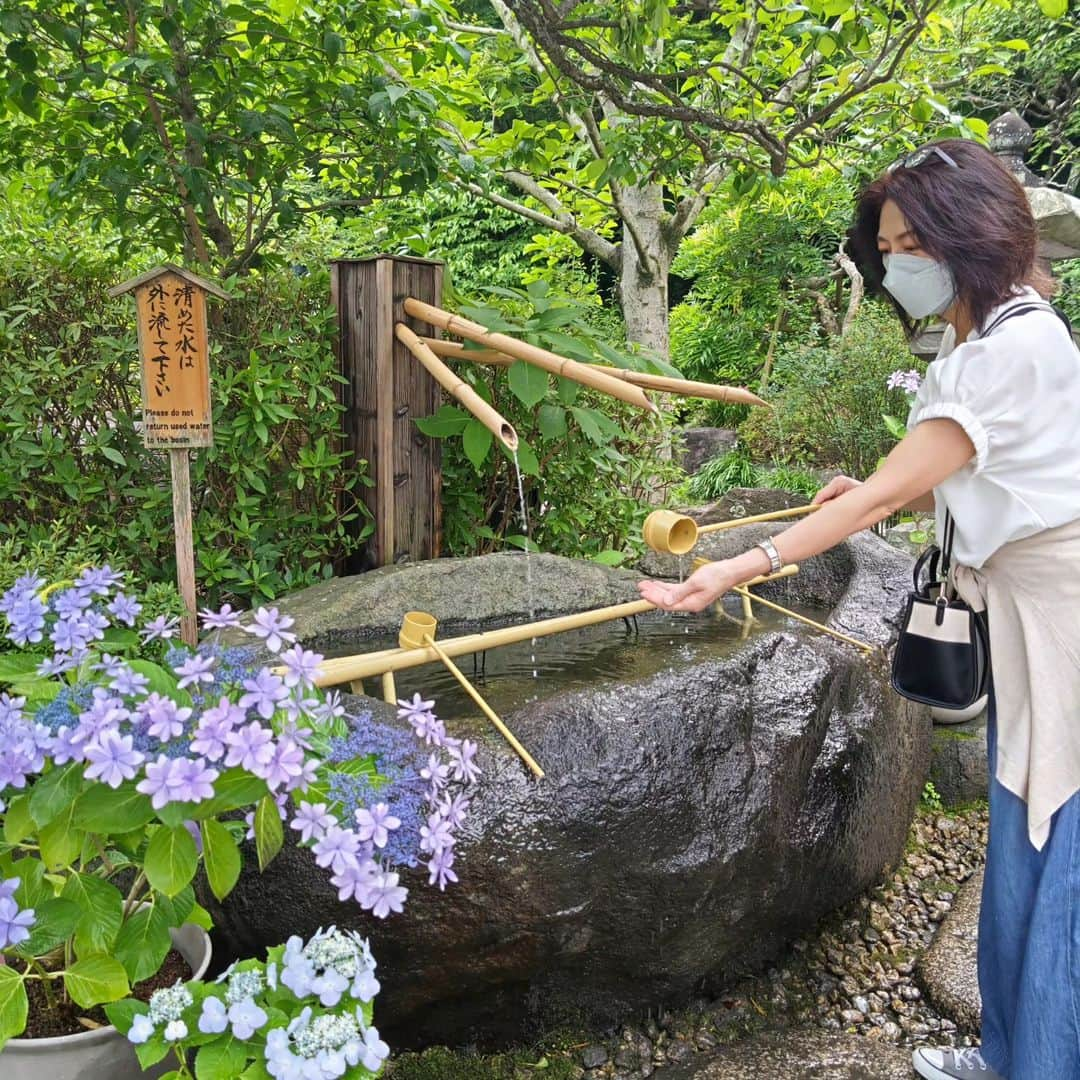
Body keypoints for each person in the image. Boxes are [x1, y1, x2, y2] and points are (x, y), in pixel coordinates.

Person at [638, 138, 1080, 1080]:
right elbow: (958, 472)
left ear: (975, 232)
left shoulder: (1011, 346)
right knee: (1022, 837)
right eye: (888, 243)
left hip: (1066, 633)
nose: (899, 259)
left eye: (918, 237)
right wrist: (890, 489)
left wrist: (735, 567)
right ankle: (1009, 1056)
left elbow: (882, 499)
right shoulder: (988, 335)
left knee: (1059, 860)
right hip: (1033, 628)